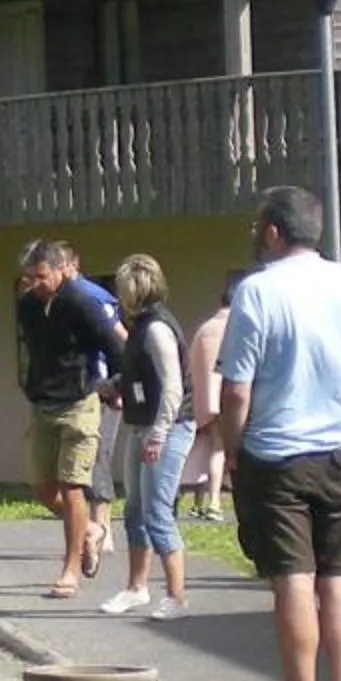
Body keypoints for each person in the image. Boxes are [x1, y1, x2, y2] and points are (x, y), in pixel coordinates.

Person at [215, 186, 341, 681]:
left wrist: (232, 448)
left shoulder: (256, 291)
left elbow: (236, 389)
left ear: (273, 232)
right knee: (339, 578)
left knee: (293, 578)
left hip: (277, 454)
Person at [14, 238, 127, 598]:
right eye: (29, 277)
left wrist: (113, 387)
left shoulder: (83, 302)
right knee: (43, 489)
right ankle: (90, 530)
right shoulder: (27, 306)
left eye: (41, 276)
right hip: (43, 404)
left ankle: (71, 569)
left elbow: (119, 349)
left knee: (72, 487)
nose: (35, 283)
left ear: (60, 270)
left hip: (80, 403)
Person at [102, 254, 194, 620]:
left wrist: (158, 435)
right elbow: (140, 376)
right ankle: (136, 588)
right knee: (135, 511)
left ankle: (176, 597)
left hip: (168, 427)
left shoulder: (157, 328)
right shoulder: (140, 327)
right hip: (142, 426)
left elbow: (172, 386)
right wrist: (114, 385)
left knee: (158, 511)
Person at [178, 278, 232, 525]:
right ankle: (214, 502)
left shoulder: (205, 329)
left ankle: (198, 502)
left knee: (207, 447)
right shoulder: (237, 326)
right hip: (230, 397)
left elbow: (191, 364)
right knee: (220, 450)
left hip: (205, 399)